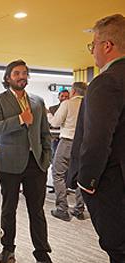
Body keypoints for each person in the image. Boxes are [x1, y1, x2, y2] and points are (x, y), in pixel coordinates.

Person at [68, 14, 125, 263]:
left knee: (118, 250)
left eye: (93, 46)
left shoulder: (106, 82)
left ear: (107, 46)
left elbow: (97, 140)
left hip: (111, 183)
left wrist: (86, 181)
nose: (93, 53)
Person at [0, 60, 57, 263]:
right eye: (17, 73)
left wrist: (47, 158)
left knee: (37, 211)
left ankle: (43, 256)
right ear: (8, 77)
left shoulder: (37, 101)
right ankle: (7, 247)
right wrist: (20, 118)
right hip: (9, 164)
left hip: (36, 164)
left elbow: (45, 132)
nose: (22, 77)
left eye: (25, 73)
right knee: (9, 209)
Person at [48, 82, 87, 222]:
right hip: (84, 145)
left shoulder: (68, 103)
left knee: (58, 174)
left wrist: (48, 115)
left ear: (73, 91)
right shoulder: (90, 105)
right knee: (80, 176)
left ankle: (62, 209)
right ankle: (79, 209)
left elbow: (55, 123)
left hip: (67, 142)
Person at [48, 89, 70, 157]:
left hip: (66, 136)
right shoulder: (52, 108)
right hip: (55, 136)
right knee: (55, 156)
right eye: (62, 96)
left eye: (66, 96)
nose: (64, 98)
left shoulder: (71, 107)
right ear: (58, 97)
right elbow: (50, 123)